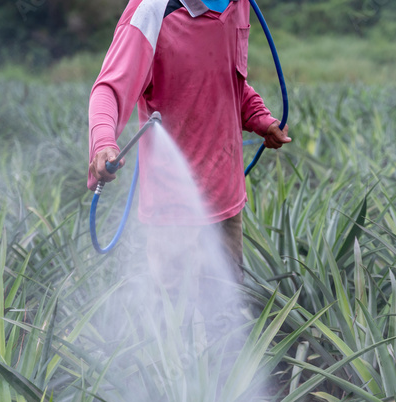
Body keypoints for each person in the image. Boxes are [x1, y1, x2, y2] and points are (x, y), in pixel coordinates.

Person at [87, 0, 291, 302]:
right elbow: (109, 88)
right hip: (172, 206)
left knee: (226, 306)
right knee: (172, 317)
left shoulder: (238, 5)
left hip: (226, 199)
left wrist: (261, 119)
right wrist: (103, 142)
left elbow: (226, 77)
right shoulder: (153, 10)